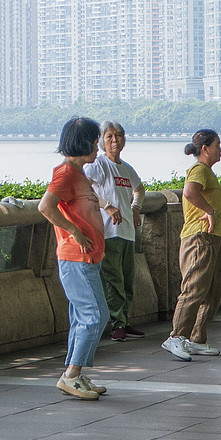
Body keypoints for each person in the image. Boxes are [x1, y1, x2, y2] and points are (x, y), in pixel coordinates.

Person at [40, 118, 110, 399]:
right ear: (82, 143)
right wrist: (74, 232)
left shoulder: (78, 174)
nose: (98, 146)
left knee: (84, 317)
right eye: (95, 141)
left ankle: (75, 373)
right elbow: (45, 206)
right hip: (76, 259)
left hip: (87, 259)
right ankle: (71, 376)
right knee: (96, 315)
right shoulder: (66, 173)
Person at [163, 129, 221, 360]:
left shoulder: (206, 171)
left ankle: (196, 339)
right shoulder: (199, 169)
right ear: (205, 148)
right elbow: (190, 192)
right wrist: (209, 211)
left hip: (212, 237)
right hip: (199, 237)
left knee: (213, 292)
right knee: (194, 289)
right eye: (218, 145)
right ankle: (176, 337)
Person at [84, 122, 146, 340]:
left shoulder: (127, 168)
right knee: (114, 279)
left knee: (128, 279)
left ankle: (126, 320)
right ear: (101, 140)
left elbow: (139, 189)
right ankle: (117, 324)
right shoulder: (98, 165)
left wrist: (135, 207)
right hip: (108, 232)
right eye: (109, 136)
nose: (114, 140)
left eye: (118, 136)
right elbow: (84, 189)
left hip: (128, 231)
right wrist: (106, 205)